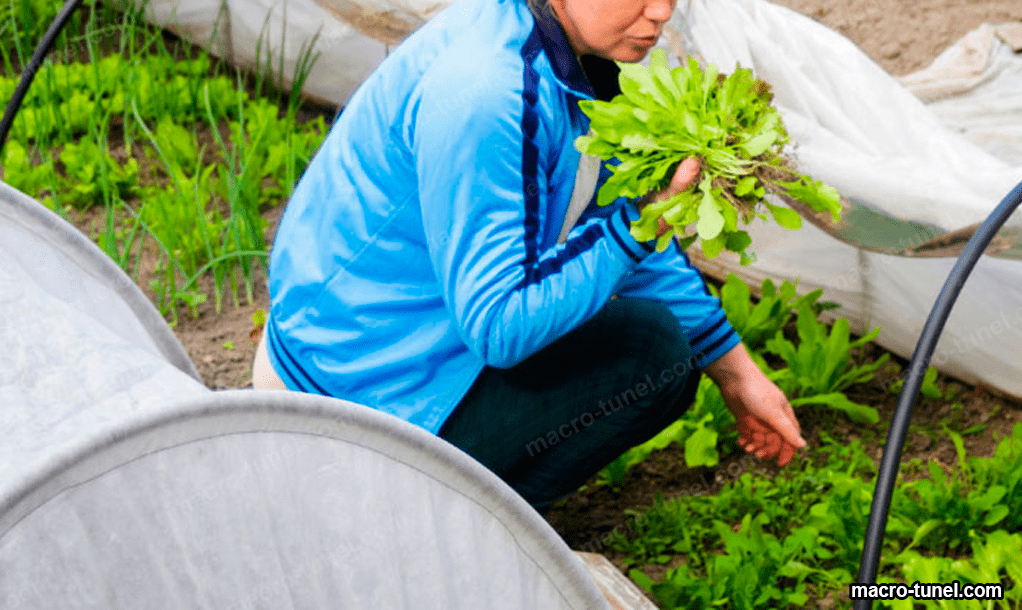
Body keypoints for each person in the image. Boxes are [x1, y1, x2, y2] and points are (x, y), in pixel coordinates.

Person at [253, 0, 806, 510]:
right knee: (650, 356)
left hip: (392, 348)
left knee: (666, 348)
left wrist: (735, 372)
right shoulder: (488, 92)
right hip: (343, 402)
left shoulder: (556, 46)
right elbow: (498, 327)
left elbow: (609, 204)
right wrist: (639, 224)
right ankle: (407, 529)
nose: (661, 11)